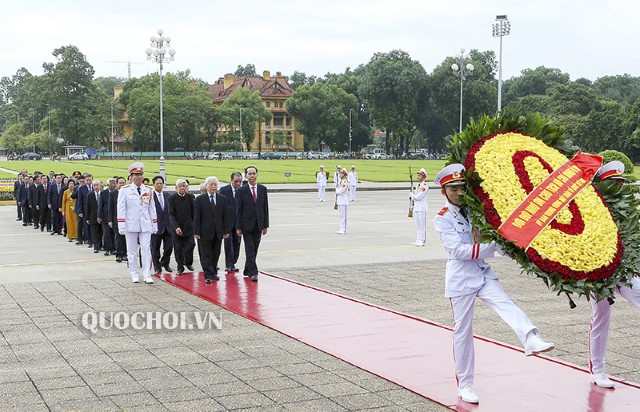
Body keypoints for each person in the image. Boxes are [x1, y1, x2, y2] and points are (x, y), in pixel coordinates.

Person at [433, 163, 554, 404]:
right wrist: (493, 246)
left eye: (461, 187)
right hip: (461, 278)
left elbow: (496, 241)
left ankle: (530, 337)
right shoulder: (443, 218)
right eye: (453, 188)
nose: (458, 192)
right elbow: (458, 250)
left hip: (482, 272)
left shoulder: (478, 212)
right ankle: (465, 384)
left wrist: (517, 252)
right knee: (463, 332)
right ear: (444, 192)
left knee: (505, 303)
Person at [588, 161, 640, 388]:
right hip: (598, 273)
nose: (618, 187)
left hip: (623, 270)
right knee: (601, 318)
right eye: (613, 183)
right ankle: (597, 371)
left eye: (620, 183)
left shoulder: (625, 207)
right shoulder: (590, 207)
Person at [117, 162, 157, 284]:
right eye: (136, 175)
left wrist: (154, 224)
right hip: (131, 223)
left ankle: (146, 273)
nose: (139, 177)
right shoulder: (125, 190)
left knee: (146, 249)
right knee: (132, 250)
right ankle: (134, 273)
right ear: (131, 176)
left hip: (145, 224)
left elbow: (152, 208)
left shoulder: (148, 190)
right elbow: (121, 208)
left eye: (141, 174)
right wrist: (122, 225)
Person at [194, 176, 231, 283]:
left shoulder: (222, 199)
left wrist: (226, 230)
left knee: (216, 253)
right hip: (204, 232)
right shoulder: (200, 199)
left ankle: (213, 272)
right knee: (206, 254)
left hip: (218, 231)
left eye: (215, 184)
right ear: (206, 186)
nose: (213, 187)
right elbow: (197, 217)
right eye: (211, 185)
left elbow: (225, 216)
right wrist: (196, 231)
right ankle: (208, 275)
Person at [236, 166, 269, 282]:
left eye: (254, 173)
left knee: (254, 249)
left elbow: (265, 208)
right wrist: (238, 227)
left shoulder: (262, 189)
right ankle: (253, 272)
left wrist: (266, 225)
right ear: (246, 176)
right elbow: (238, 210)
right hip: (246, 225)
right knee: (249, 249)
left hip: (259, 224)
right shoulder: (241, 190)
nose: (252, 176)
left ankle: (247, 268)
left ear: (257, 175)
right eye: (249, 174)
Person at [168, 179, 196, 275]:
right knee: (178, 247)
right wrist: (176, 227)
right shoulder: (172, 199)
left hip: (189, 227)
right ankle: (180, 266)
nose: (182, 188)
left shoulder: (191, 197)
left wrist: (194, 225)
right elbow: (171, 214)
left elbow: (194, 212)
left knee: (191, 244)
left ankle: (188, 262)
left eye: (184, 186)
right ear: (176, 188)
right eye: (180, 187)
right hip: (177, 228)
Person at [219, 172, 243, 272]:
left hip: (239, 223)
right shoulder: (224, 190)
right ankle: (228, 264)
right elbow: (220, 207)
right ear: (231, 181)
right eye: (236, 182)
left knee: (237, 243)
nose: (238, 184)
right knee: (228, 244)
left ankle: (233, 263)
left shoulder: (243, 190)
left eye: (240, 182)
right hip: (227, 223)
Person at [151, 175, 174, 274]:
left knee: (169, 247)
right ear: (154, 185)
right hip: (156, 227)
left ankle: (165, 263)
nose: (160, 185)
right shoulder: (150, 197)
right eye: (157, 183)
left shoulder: (168, 196)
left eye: (161, 183)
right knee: (155, 248)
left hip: (168, 226)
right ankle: (157, 267)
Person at [109, 177, 128, 263]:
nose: (122, 184)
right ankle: (119, 255)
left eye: (123, 182)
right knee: (118, 237)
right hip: (116, 219)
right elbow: (111, 208)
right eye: (120, 183)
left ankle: (125, 254)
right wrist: (110, 220)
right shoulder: (113, 194)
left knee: (125, 238)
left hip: (127, 220)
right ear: (116, 184)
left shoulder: (128, 193)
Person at [99, 178, 117, 256]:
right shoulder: (103, 193)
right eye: (111, 184)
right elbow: (100, 205)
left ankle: (113, 248)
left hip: (114, 216)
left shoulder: (117, 192)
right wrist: (99, 216)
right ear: (108, 185)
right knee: (106, 233)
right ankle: (106, 249)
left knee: (114, 234)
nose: (113, 185)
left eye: (114, 183)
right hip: (105, 216)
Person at [411, 168, 429, 247]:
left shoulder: (424, 186)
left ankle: (422, 240)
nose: (418, 176)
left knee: (422, 225)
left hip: (422, 207)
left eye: (420, 175)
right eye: (418, 175)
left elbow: (419, 197)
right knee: (418, 225)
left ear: (423, 177)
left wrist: (412, 196)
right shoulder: (417, 185)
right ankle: (418, 239)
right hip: (417, 207)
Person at [86, 180, 103, 253]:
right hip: (93, 217)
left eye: (97, 185)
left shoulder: (103, 194)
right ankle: (96, 247)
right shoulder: (90, 195)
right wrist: (87, 218)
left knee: (101, 232)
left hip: (102, 217)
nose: (96, 187)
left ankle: (101, 245)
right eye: (94, 185)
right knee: (94, 232)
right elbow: (87, 207)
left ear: (100, 186)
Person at [335, 167, 349, 234]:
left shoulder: (344, 182)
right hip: (340, 200)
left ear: (344, 174)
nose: (340, 175)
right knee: (340, 215)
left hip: (343, 201)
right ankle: (341, 228)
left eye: (341, 173)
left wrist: (336, 190)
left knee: (343, 216)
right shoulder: (341, 182)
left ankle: (343, 229)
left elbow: (340, 191)